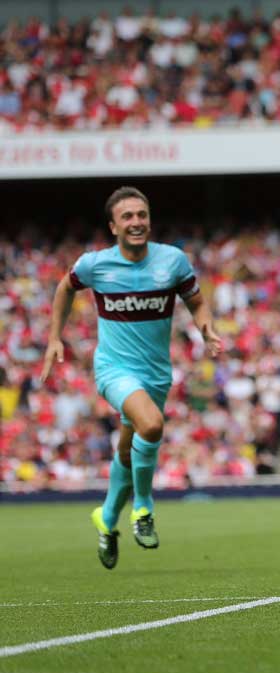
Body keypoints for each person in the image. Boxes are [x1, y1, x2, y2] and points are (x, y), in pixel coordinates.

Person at [41, 186, 224, 570]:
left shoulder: (172, 261)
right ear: (113, 226)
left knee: (128, 450)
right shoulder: (95, 265)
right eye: (127, 217)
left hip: (155, 375)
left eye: (141, 215)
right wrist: (55, 336)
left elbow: (195, 300)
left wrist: (206, 329)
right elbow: (64, 288)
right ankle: (142, 509)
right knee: (153, 425)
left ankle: (106, 520)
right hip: (114, 369)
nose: (136, 222)